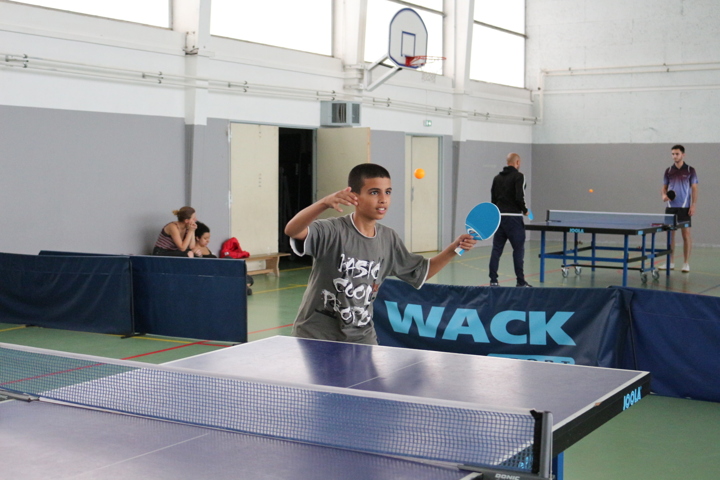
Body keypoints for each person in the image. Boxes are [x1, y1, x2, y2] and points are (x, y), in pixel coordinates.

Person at [284, 163, 476, 345]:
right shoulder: (333, 231)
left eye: (388, 192)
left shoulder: (388, 238)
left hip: (362, 337)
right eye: (374, 192)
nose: (383, 199)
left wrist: (453, 250)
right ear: (354, 197)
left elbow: (421, 272)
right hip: (317, 337)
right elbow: (292, 230)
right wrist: (324, 203)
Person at [488, 153, 531, 287]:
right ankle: (520, 281)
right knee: (518, 250)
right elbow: (519, 196)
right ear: (517, 162)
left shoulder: (496, 178)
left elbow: (493, 199)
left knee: (496, 250)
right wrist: (525, 210)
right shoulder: (519, 176)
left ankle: (493, 281)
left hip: (499, 218)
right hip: (514, 219)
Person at [659, 144, 698, 273]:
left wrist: (693, 205)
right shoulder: (668, 170)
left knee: (686, 235)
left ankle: (686, 263)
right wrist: (664, 196)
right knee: (670, 236)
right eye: (673, 154)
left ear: (683, 155)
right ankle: (670, 262)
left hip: (684, 208)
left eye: (677, 154)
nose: (674, 156)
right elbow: (664, 188)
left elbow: (694, 188)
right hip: (671, 208)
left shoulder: (690, 170)